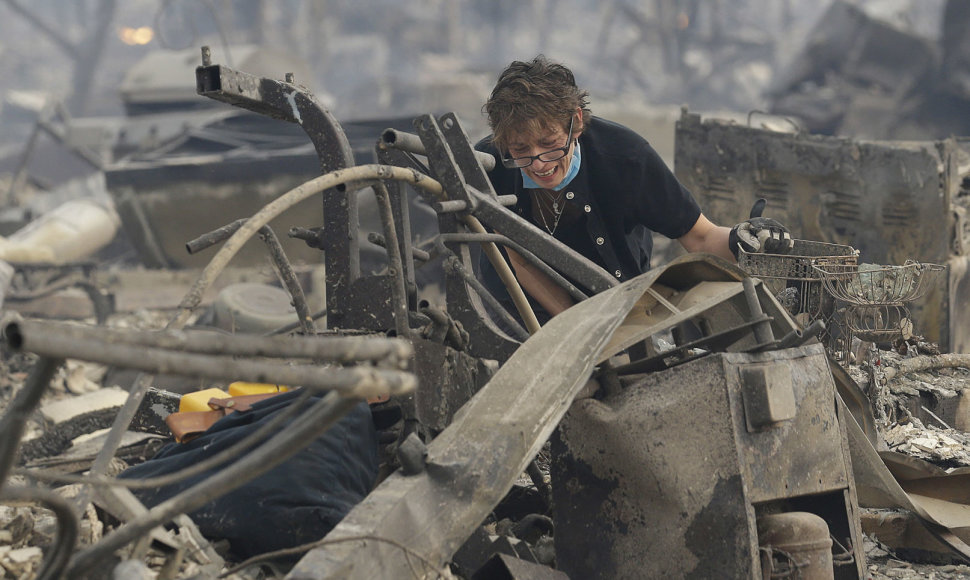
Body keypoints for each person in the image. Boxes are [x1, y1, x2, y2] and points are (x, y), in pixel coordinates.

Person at [475, 54, 791, 324]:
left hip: (615, 312)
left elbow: (701, 237)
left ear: (577, 122)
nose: (539, 163)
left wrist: (741, 239)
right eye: (521, 150)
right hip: (515, 317)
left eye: (549, 144)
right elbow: (517, 259)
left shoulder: (626, 159)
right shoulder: (486, 165)